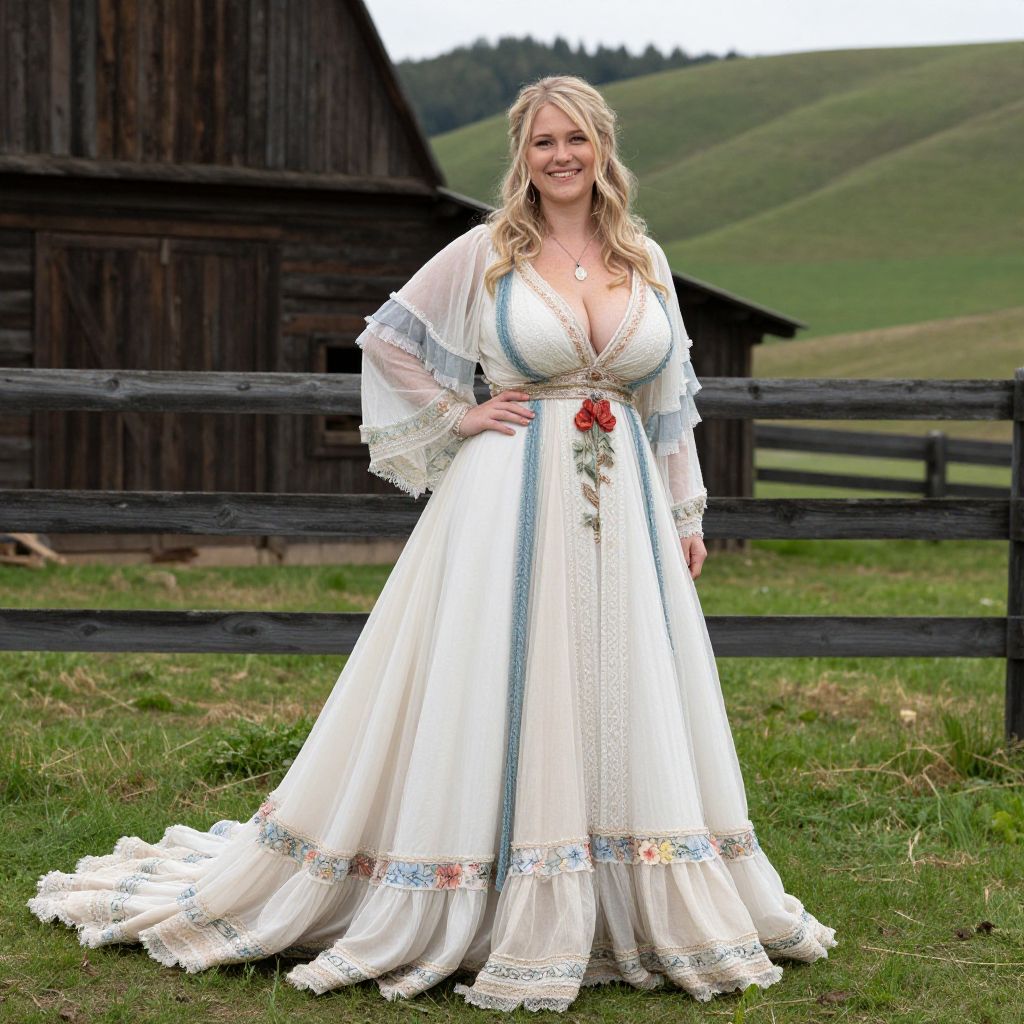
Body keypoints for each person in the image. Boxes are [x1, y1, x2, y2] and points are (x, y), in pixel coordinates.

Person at [28, 75, 836, 1013]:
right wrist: (461, 412)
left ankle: (626, 891)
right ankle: (483, 885)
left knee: (618, 685)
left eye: (575, 138)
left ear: (603, 148)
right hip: (506, 501)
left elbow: (668, 404)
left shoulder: (644, 259)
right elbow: (386, 340)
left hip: (627, 516)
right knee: (501, 679)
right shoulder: (489, 251)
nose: (561, 156)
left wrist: (687, 514)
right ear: (522, 155)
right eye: (543, 142)